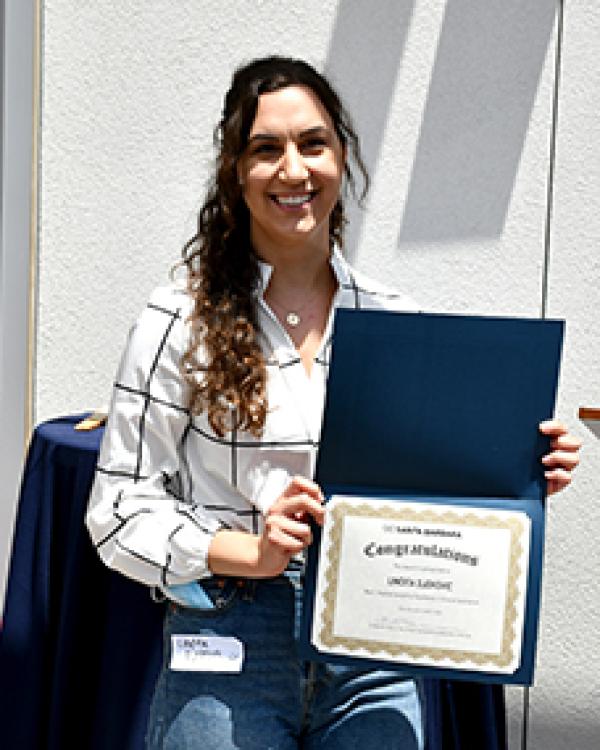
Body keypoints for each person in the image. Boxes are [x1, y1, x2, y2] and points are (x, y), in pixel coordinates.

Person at [86, 55, 581, 750]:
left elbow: (430, 494)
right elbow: (116, 513)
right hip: (229, 631)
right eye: (266, 149)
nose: (293, 170)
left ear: (342, 156)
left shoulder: (395, 320)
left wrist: (517, 476)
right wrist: (246, 549)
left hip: (374, 643)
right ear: (236, 172)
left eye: (313, 143)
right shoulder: (178, 319)